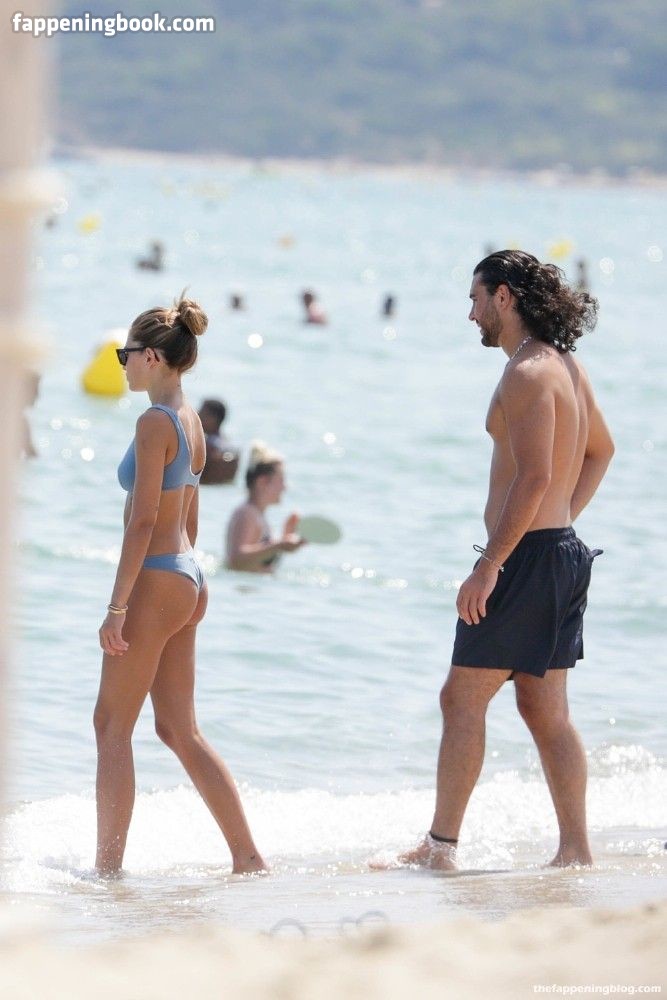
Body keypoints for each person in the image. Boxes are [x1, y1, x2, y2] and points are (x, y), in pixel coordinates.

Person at [398, 250, 614, 872]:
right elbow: (602, 451)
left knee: (460, 698)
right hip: (558, 552)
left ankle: (440, 848)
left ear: (504, 296)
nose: (471, 314)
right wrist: (559, 521)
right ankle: (574, 851)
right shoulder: (566, 366)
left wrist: (492, 562)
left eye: (475, 299)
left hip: (526, 560)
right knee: (545, 710)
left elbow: (534, 475)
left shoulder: (526, 372)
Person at [94, 296, 265, 876]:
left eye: (126, 354)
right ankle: (248, 859)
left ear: (152, 357)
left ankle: (107, 873)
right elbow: (187, 517)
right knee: (178, 729)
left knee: (111, 726)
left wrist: (117, 606)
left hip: (157, 579)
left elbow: (143, 521)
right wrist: (189, 582)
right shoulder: (189, 419)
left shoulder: (152, 423)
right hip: (186, 575)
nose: (122, 363)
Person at [225, 441, 306, 572]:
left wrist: (285, 538)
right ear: (262, 482)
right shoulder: (246, 513)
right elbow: (236, 561)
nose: (285, 487)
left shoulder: (257, 514)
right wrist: (279, 545)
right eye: (281, 480)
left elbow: (259, 563)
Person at [197, 398, 240, 485]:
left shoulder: (208, 444)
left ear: (213, 419)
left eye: (202, 413)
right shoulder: (228, 443)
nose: (197, 415)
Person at [20, 370, 40, 458]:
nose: (38, 395)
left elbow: (32, 456)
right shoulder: (19, 423)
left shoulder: (22, 422)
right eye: (35, 389)